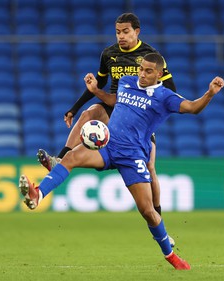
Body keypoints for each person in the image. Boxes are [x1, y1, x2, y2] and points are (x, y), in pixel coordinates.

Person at [19, 53, 224, 270]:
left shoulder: (165, 97)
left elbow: (192, 108)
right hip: (109, 146)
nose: (142, 74)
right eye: (141, 69)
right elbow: (114, 101)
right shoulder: (127, 82)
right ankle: (38, 194)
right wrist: (97, 92)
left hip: (133, 156)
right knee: (71, 157)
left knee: (147, 211)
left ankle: (171, 256)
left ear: (159, 74)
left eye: (148, 71)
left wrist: (209, 94)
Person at [37, 13, 177, 229]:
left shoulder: (151, 57)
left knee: (150, 168)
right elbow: (100, 82)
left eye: (126, 31)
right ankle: (60, 158)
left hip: (138, 116)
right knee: (88, 114)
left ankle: (158, 215)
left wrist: (149, 102)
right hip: (114, 107)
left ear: (137, 32)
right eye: (118, 32)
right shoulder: (109, 54)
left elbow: (171, 91)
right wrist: (75, 107)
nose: (121, 36)